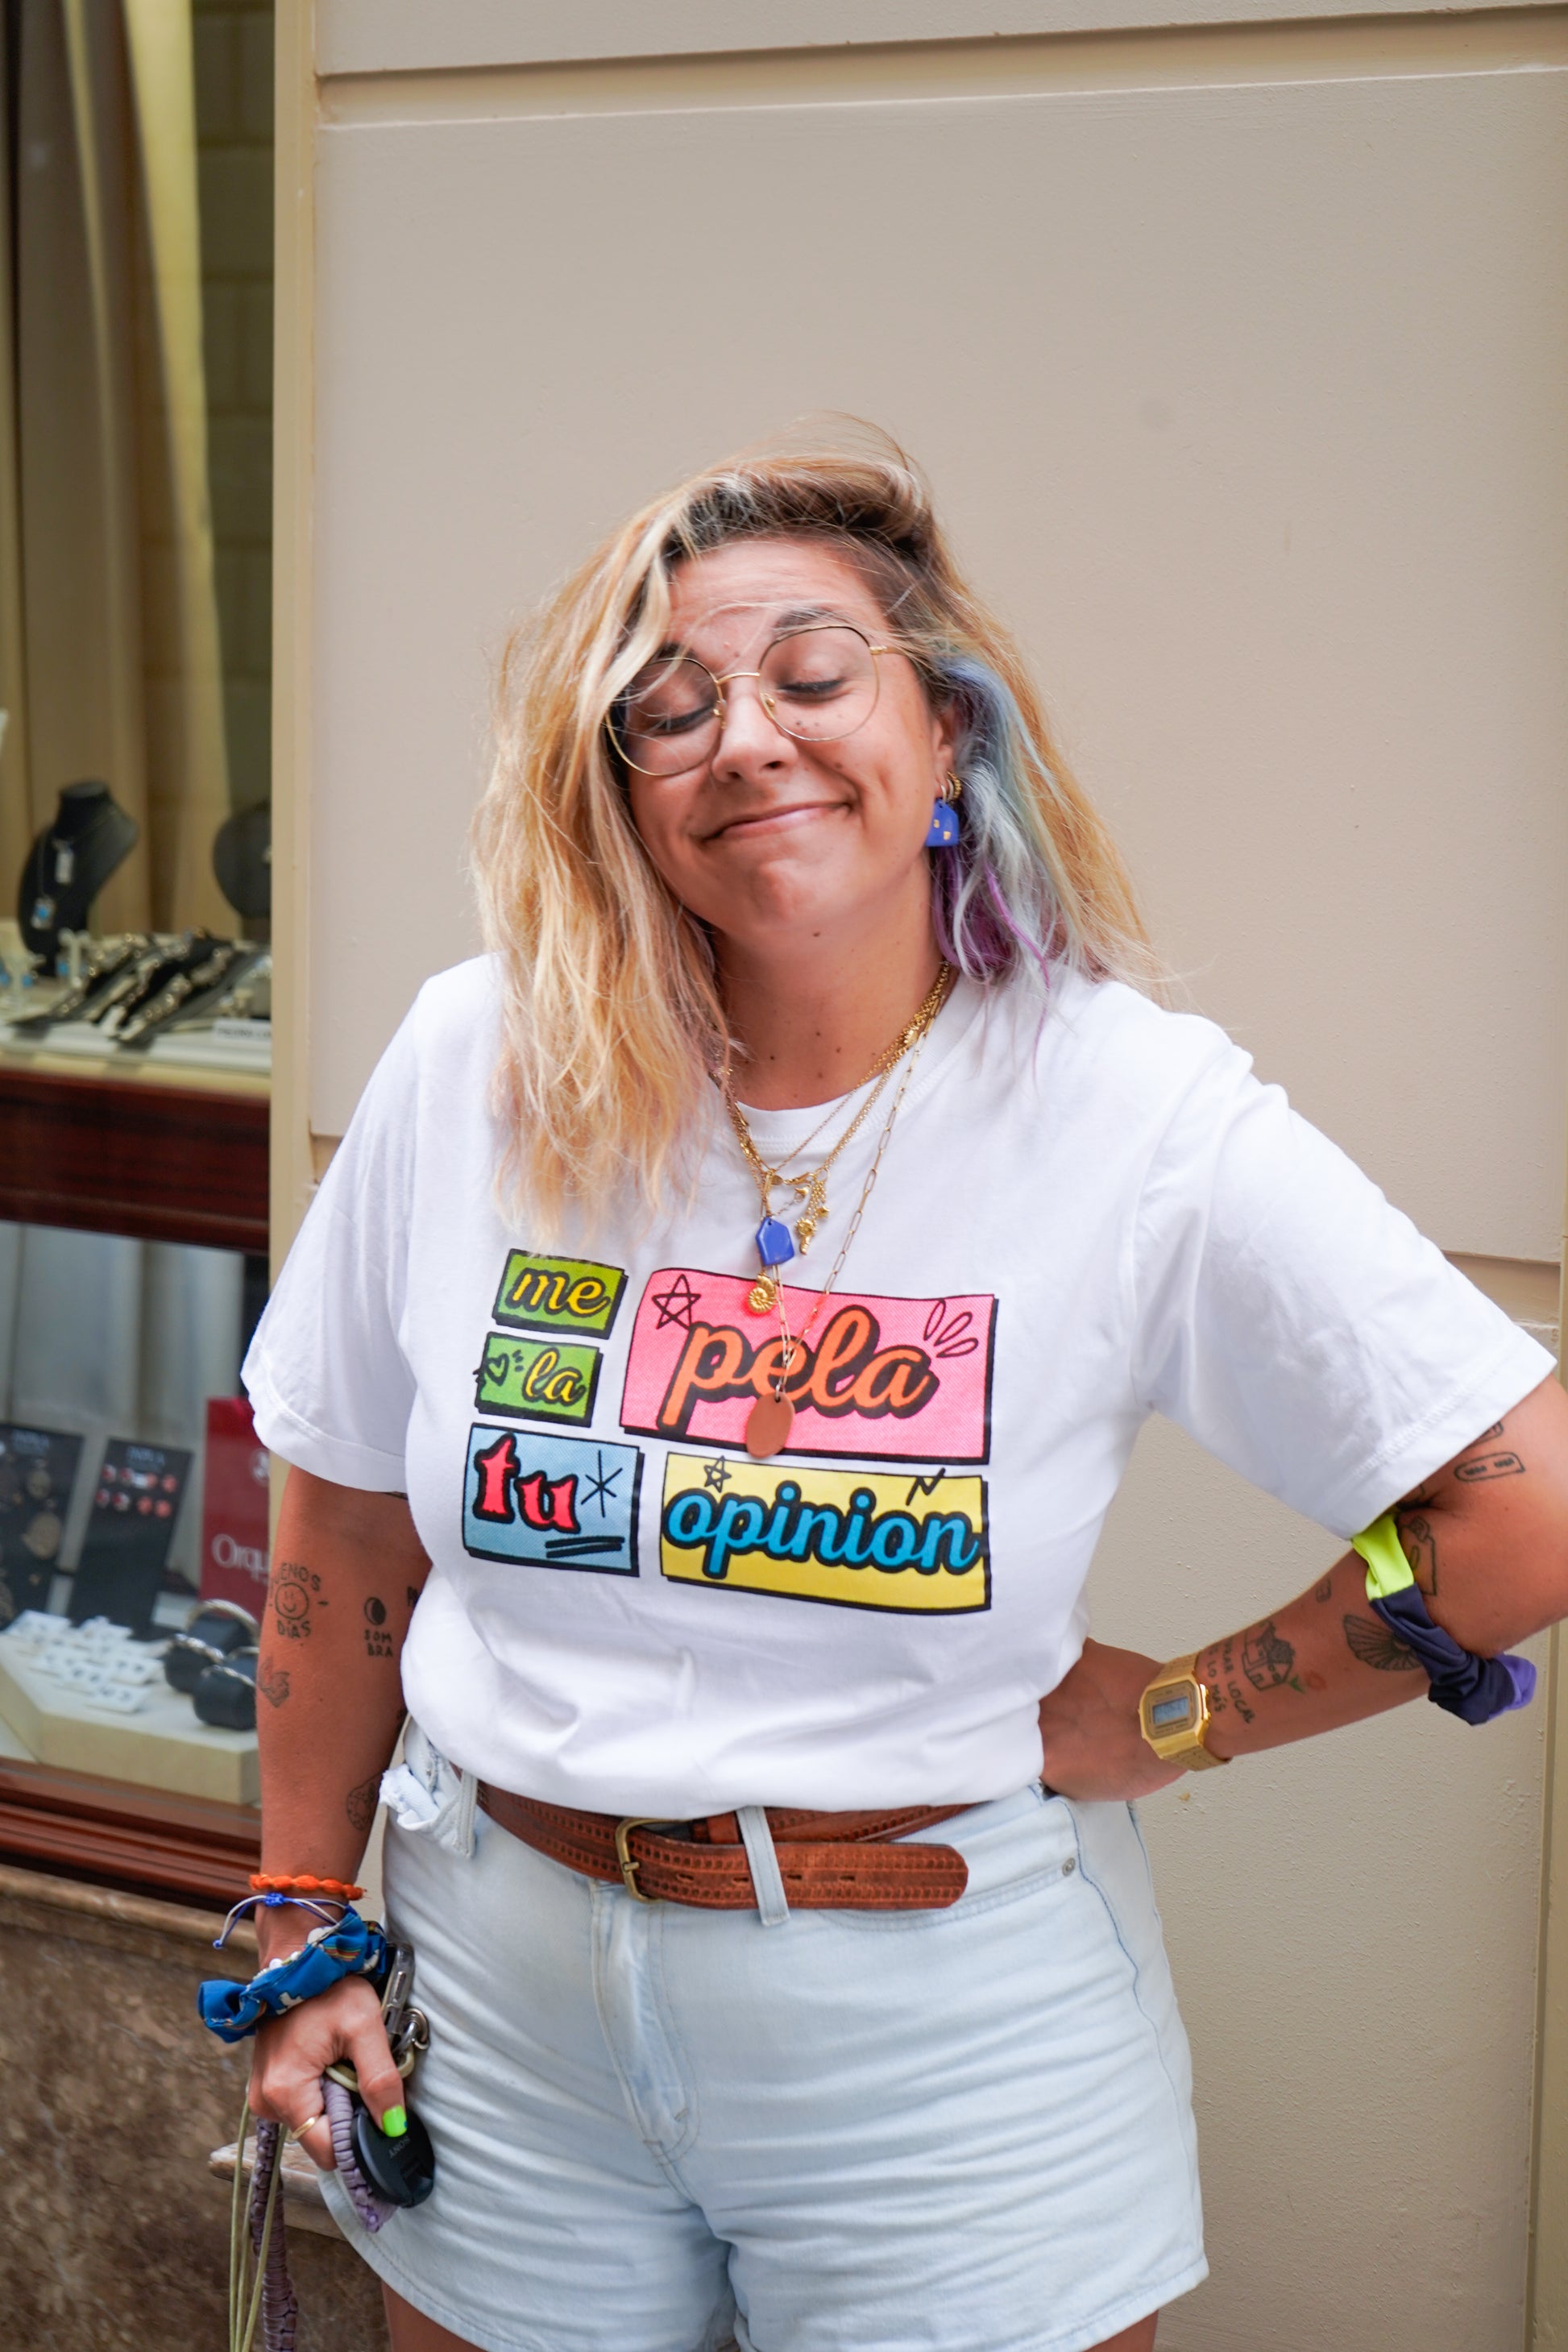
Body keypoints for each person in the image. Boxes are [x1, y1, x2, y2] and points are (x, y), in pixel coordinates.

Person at [242, 425, 1568, 2352]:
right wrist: (299, 1906)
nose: (744, 740)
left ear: (946, 733)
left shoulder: (1124, 1108)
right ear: (617, 790)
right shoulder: (479, 1065)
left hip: (943, 2040)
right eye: (668, 708)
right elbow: (350, 1520)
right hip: (498, 1990)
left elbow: (1523, 1503)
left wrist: (1179, 1712)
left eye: (810, 673)